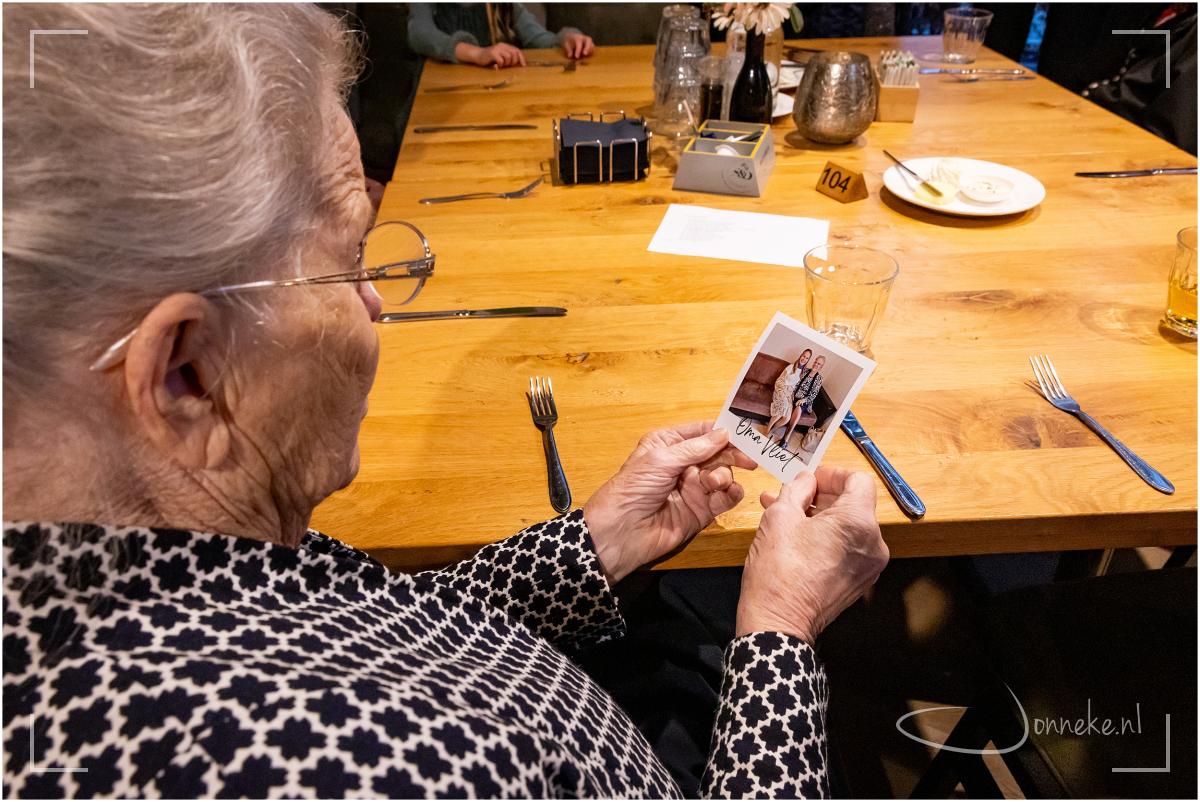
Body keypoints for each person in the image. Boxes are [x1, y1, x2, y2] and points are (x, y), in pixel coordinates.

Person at [2, 5, 887, 798]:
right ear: (186, 376)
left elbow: (374, 619)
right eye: (351, 260)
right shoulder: (326, 766)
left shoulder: (122, 557)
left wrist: (595, 543)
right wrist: (780, 633)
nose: (377, 302)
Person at [407, 3, 594, 68]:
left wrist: (567, 38)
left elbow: (537, 38)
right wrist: (478, 53)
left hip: (492, 91)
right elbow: (420, 34)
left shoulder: (504, 5)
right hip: (443, 98)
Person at [762, 348, 812, 441]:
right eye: (803, 356)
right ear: (800, 355)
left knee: (787, 418)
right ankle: (767, 430)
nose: (804, 359)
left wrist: (800, 397)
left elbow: (801, 387)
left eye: (807, 358)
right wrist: (782, 390)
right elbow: (780, 380)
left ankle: (772, 430)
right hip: (781, 389)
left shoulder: (803, 373)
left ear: (808, 360)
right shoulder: (791, 367)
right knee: (782, 409)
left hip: (789, 395)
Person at [781, 355, 826, 449]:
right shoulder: (805, 371)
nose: (816, 364)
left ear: (821, 367)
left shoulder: (819, 379)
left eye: (819, 364)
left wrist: (803, 400)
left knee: (798, 408)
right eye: (815, 362)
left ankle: (786, 437)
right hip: (795, 396)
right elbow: (796, 383)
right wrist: (792, 393)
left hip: (805, 401)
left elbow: (813, 394)